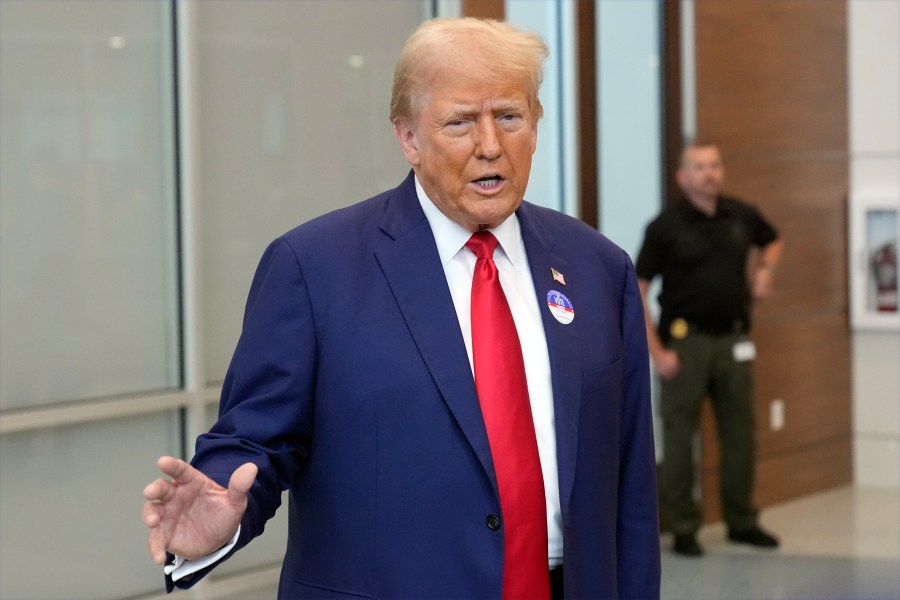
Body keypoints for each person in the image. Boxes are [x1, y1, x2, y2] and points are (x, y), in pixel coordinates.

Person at [143, 17, 660, 599]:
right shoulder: (314, 268)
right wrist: (220, 517)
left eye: (510, 117)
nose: (491, 145)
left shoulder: (597, 267)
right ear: (409, 137)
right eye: (460, 122)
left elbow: (630, 484)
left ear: (536, 126)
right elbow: (256, 442)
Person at [635, 141, 784, 557]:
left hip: (734, 341)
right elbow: (637, 290)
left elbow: (772, 239)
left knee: (741, 436)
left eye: (715, 165)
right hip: (685, 346)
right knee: (680, 439)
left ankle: (742, 521)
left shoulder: (741, 215)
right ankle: (683, 527)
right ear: (683, 177)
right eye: (699, 167)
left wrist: (765, 272)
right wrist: (656, 352)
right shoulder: (664, 227)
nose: (709, 174)